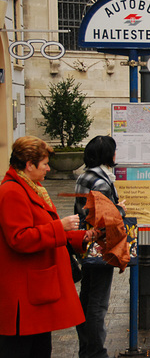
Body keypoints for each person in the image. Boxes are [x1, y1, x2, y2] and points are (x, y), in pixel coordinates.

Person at [0, 136, 90, 357]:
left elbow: (51, 231)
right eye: (44, 164)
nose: (48, 169)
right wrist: (60, 226)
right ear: (29, 165)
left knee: (40, 348)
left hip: (35, 291)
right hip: (23, 295)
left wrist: (84, 237)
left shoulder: (32, 187)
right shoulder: (12, 192)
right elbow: (19, 238)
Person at [74, 136, 125, 358]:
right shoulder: (102, 182)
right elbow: (105, 219)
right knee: (98, 302)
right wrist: (120, 209)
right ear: (108, 155)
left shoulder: (84, 176)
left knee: (87, 297)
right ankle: (96, 352)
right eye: (114, 151)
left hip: (85, 244)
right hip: (100, 247)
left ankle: (85, 348)